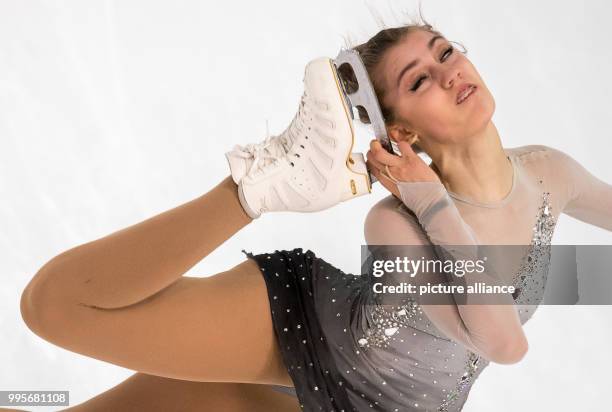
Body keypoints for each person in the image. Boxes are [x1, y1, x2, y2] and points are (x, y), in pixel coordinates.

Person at [15, 20, 612, 412]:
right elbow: (503, 340)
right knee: (56, 307)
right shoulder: (396, 224)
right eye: (420, 79)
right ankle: (257, 189)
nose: (450, 69)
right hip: (310, 338)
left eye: (445, 51)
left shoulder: (548, 174)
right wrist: (430, 199)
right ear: (400, 130)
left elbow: (549, 275)